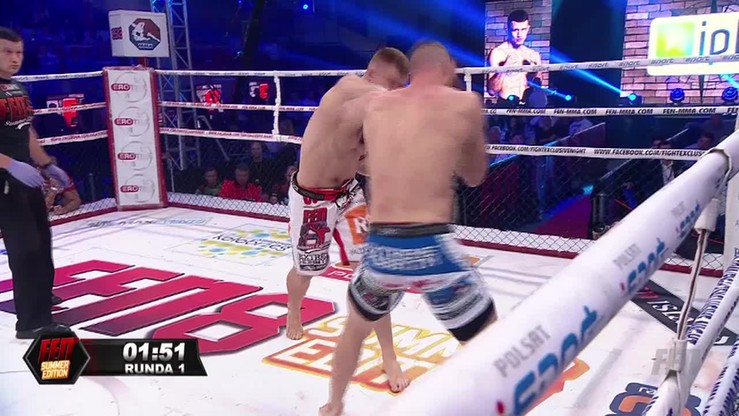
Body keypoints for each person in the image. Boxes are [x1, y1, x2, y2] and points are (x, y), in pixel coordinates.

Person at [319, 41, 496, 416]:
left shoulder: (377, 105)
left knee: (355, 327)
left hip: (381, 248)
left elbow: (343, 143)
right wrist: (454, 147)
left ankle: (333, 405)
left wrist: (378, 160)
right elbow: (475, 175)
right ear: (446, 69)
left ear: (412, 72)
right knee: (491, 340)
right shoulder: (463, 103)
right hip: (431, 246)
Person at [285, 47, 411, 392]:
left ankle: (389, 356)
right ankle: (294, 308)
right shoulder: (347, 89)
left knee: (372, 277)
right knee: (306, 269)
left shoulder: (373, 111)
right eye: (394, 85)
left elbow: (361, 162)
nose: (395, 92)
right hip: (312, 198)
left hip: (348, 193)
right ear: (375, 76)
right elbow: (375, 97)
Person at [0, 27, 72, 339]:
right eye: (7, 52)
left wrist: (45, 163)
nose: (15, 58)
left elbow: (26, 129)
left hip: (24, 176)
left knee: (41, 242)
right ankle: (31, 322)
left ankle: (40, 297)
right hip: (4, 181)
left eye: (19, 52)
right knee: (25, 248)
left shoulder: (16, 87)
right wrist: (9, 164)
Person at [487, 10, 542, 103]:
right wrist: (504, 68)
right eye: (515, 30)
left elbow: (537, 89)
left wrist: (534, 74)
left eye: (523, 29)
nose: (519, 35)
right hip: (506, 104)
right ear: (507, 29)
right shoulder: (498, 53)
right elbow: (492, 91)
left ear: (528, 29)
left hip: (527, 106)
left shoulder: (533, 55)